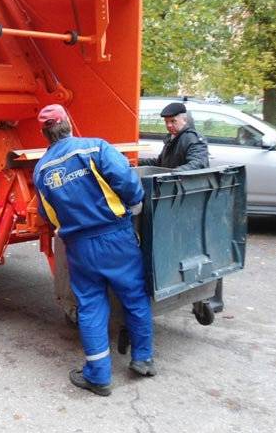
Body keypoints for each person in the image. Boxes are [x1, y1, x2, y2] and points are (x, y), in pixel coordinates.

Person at [33, 104, 155, 397]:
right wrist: (135, 202)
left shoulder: (41, 170)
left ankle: (98, 376)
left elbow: (47, 213)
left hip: (80, 246)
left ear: (44, 133)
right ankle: (143, 359)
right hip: (116, 238)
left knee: (90, 306)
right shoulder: (95, 148)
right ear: (68, 123)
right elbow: (125, 178)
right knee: (134, 296)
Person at [139, 102, 209, 171]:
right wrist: (136, 161)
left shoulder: (193, 138)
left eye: (173, 121)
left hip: (181, 178)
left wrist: (172, 173)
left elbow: (198, 164)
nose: (169, 125)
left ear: (184, 120)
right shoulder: (172, 137)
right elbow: (160, 163)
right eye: (166, 121)